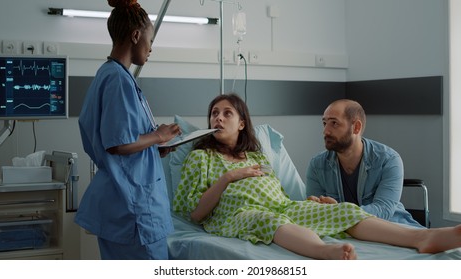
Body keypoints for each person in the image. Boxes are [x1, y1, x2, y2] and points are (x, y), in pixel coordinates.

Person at [173, 93, 461, 260]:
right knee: (269, 220)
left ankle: (423, 237)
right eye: (213, 114)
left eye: (226, 113)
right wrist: (229, 177)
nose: (218, 119)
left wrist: (309, 203)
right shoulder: (201, 157)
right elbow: (196, 214)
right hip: (240, 214)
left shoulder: (258, 156)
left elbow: (282, 197)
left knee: (341, 211)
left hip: (282, 206)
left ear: (242, 123)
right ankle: (325, 252)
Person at [75, 0, 181, 260]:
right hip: (134, 208)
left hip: (123, 202)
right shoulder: (118, 80)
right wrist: (159, 135)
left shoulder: (111, 75)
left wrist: (156, 149)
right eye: (150, 40)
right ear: (136, 36)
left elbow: (127, 140)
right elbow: (117, 143)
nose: (151, 48)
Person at [306, 99, 423, 227]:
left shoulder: (389, 160)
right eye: (324, 123)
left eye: (334, 123)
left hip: (394, 226)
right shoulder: (317, 166)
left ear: (356, 127)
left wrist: (340, 213)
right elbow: (316, 214)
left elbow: (383, 211)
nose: (326, 131)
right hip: (343, 232)